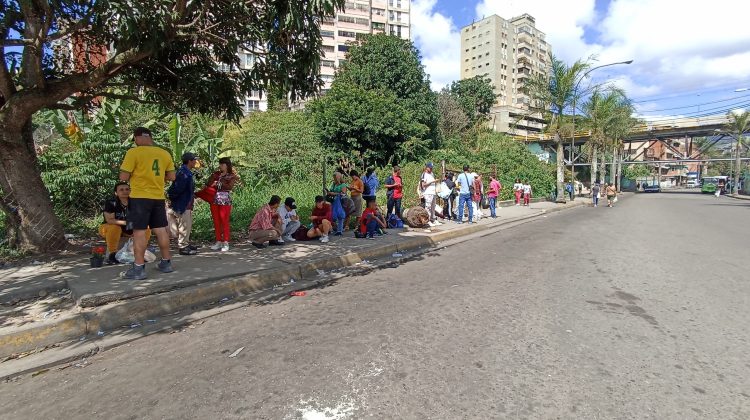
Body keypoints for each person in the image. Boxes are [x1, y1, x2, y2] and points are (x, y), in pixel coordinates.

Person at [118, 126, 175, 280]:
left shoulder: (133, 152)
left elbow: (123, 176)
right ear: (150, 137)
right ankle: (166, 262)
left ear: (137, 138)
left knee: (139, 232)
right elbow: (172, 176)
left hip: (139, 198)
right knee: (160, 230)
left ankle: (138, 268)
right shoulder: (164, 153)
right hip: (158, 197)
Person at [99, 182, 152, 265]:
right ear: (116, 192)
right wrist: (128, 223)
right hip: (109, 228)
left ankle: (140, 252)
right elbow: (110, 220)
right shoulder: (111, 202)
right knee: (115, 227)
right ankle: (112, 254)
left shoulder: (135, 202)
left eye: (127, 189)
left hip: (129, 228)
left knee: (147, 228)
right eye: (121, 190)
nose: (125, 191)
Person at [167, 152, 198, 256]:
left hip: (185, 202)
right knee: (184, 225)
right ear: (189, 161)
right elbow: (177, 188)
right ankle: (183, 246)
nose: (195, 162)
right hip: (183, 203)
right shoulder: (184, 173)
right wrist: (174, 199)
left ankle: (186, 243)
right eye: (194, 160)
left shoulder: (185, 171)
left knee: (187, 224)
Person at [207, 157, 239, 252]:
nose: (220, 166)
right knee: (216, 221)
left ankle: (225, 242)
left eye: (222, 164)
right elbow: (208, 184)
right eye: (220, 164)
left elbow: (229, 187)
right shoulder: (216, 174)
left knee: (224, 221)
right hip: (214, 200)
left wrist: (218, 183)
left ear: (227, 165)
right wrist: (213, 178)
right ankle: (218, 241)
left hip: (225, 200)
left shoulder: (231, 176)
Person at [420, 162, 440, 227]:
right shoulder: (424, 174)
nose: (431, 169)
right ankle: (427, 220)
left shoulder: (432, 174)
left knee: (433, 207)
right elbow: (423, 185)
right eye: (430, 168)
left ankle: (433, 219)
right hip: (428, 192)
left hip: (433, 192)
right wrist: (432, 182)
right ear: (427, 167)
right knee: (428, 207)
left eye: (432, 168)